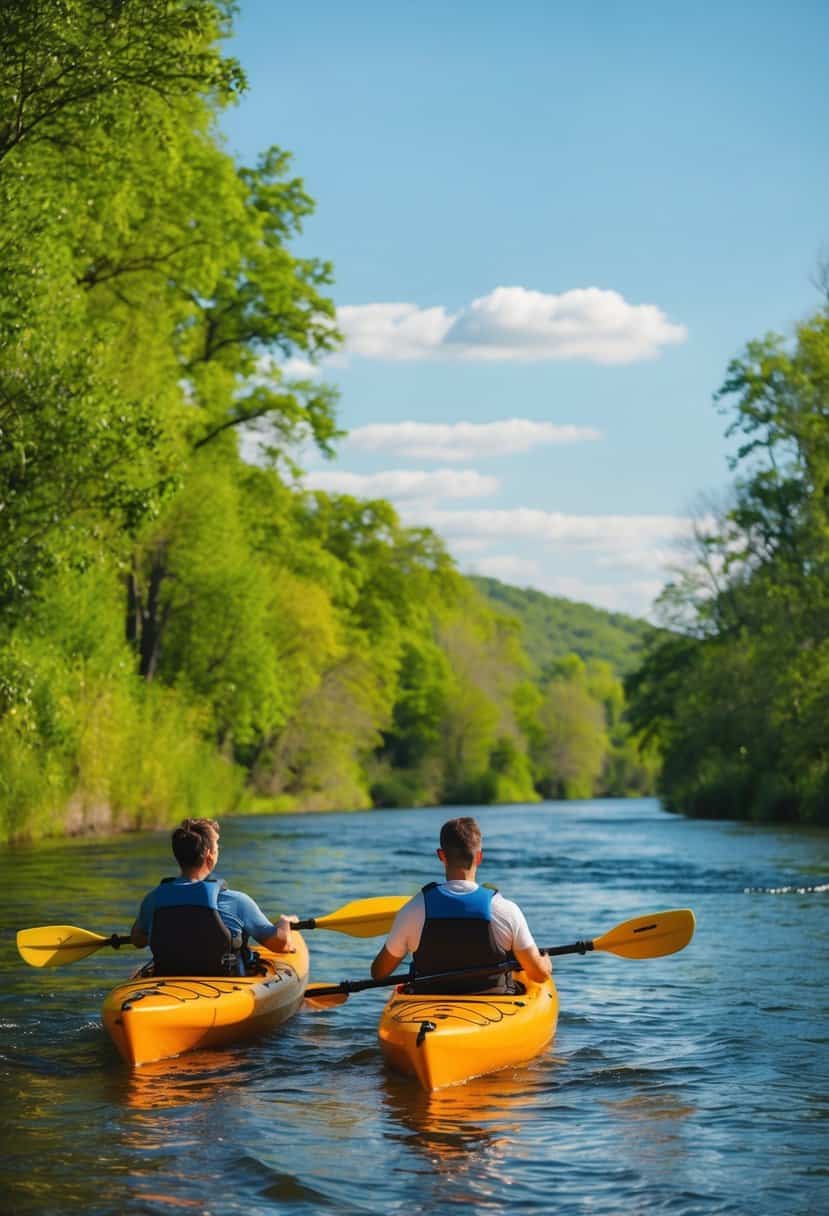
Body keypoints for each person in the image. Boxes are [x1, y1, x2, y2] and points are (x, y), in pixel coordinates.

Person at [370, 816, 551, 994]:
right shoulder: (506, 909)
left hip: (428, 1005)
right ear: (479, 857)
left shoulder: (413, 909)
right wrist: (544, 962)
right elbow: (538, 975)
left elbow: (379, 973)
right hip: (492, 1006)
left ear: (441, 856)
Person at [130, 818, 296, 976]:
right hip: (225, 985)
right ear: (209, 853)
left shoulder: (154, 900)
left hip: (169, 978)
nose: (218, 848)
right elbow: (281, 945)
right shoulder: (237, 901)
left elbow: (137, 939)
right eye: (217, 844)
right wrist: (284, 923)